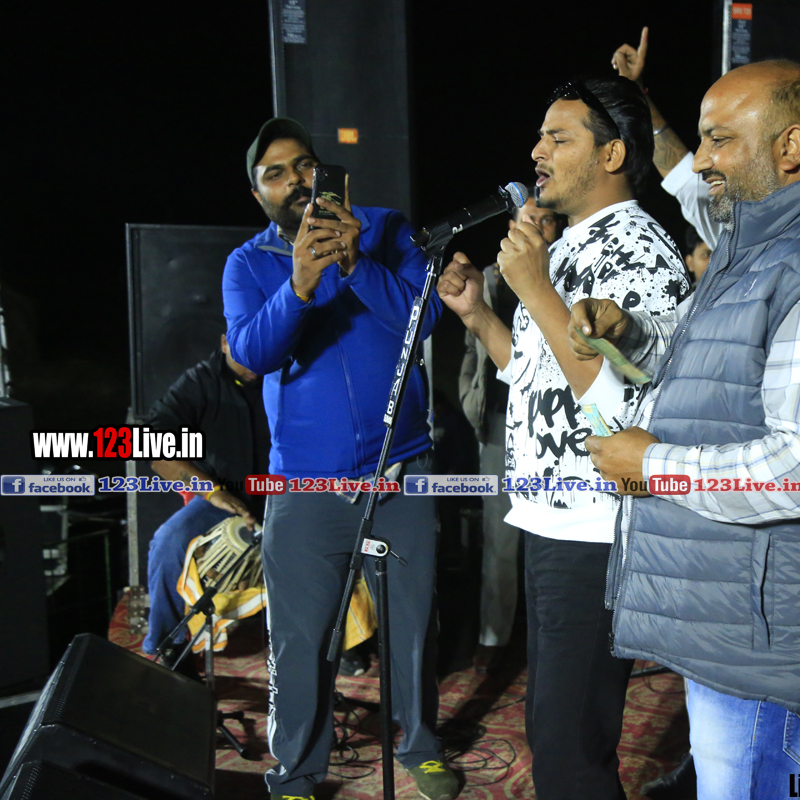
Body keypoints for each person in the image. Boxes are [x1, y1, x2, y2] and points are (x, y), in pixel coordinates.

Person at [570, 61, 800, 798]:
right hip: (743, 616)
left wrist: (653, 466)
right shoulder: (759, 244)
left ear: (789, 147)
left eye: (719, 140)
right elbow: (716, 371)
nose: (701, 160)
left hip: (773, 638)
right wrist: (630, 333)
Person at [438, 76, 688, 800]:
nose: (536, 151)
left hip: (598, 529)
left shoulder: (640, 248)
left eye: (559, 137)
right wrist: (480, 315)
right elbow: (538, 377)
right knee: (554, 735)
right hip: (553, 520)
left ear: (612, 155)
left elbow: (620, 405)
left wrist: (534, 287)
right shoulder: (571, 242)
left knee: (571, 749)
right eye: (541, 136)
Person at [222, 117, 458, 800]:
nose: (294, 180)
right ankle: (297, 772)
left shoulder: (386, 228)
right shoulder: (248, 264)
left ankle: (421, 746)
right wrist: (299, 282)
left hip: (401, 471)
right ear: (258, 195)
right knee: (301, 638)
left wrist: (358, 263)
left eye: (303, 165)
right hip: (305, 484)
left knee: (412, 625)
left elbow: (425, 316)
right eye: (274, 174)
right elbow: (253, 354)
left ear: (324, 171)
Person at [611, 26, 800, 252]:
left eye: (718, 139)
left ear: (791, 146)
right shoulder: (733, 233)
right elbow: (681, 175)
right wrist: (636, 93)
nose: (697, 164)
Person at [457, 198, 563, 673]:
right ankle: (494, 638)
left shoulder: (569, 270)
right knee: (499, 541)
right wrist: (470, 401)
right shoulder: (488, 278)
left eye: (547, 219)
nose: (539, 226)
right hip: (501, 424)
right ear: (511, 225)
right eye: (530, 218)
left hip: (555, 425)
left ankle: (549, 639)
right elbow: (472, 351)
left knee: (554, 539)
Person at [142, 334, 269, 663]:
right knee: (168, 543)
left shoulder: (288, 372)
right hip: (224, 496)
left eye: (263, 349)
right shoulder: (199, 381)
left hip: (287, 495)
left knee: (335, 541)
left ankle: (343, 641)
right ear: (225, 342)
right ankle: (170, 648)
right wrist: (214, 492)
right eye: (246, 351)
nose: (255, 362)